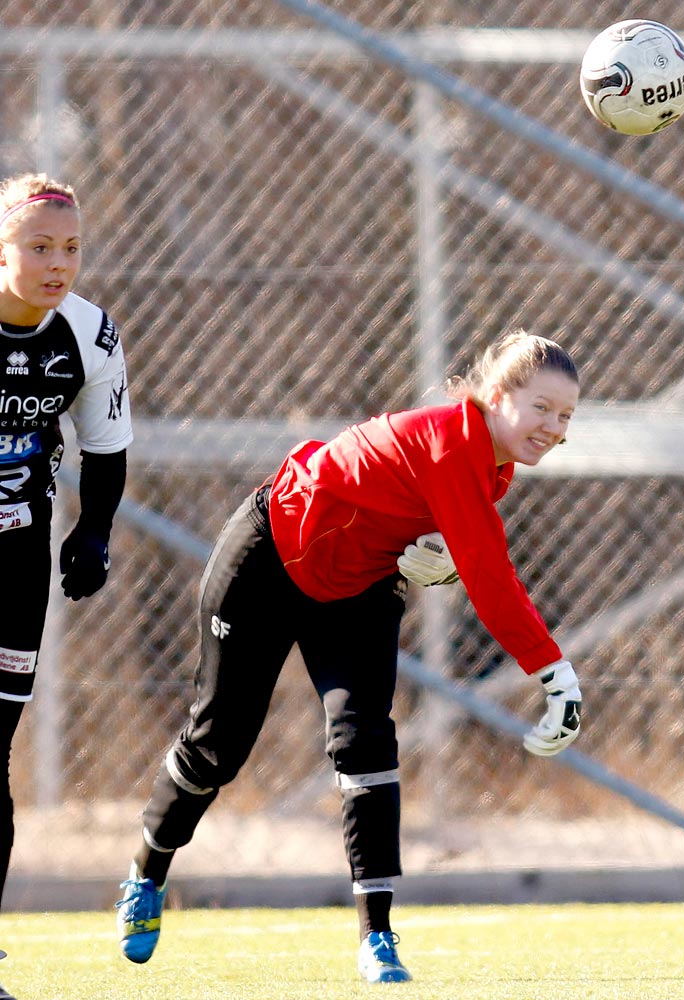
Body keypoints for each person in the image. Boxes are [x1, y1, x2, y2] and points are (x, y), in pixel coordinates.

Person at [116, 330, 583, 984]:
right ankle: (147, 869)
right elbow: (488, 573)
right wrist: (553, 672)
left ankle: (378, 938)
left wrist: (427, 548)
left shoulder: (493, 470)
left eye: (565, 415)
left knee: (365, 742)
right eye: (541, 407)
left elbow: (451, 546)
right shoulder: (454, 440)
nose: (553, 426)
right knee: (219, 741)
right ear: (495, 396)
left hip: (358, 586)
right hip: (268, 558)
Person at [0, 174, 133, 1000]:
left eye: (72, 248)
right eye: (39, 247)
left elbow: (106, 446)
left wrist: (92, 531)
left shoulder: (88, 333)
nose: (59, 264)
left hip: (14, 560)